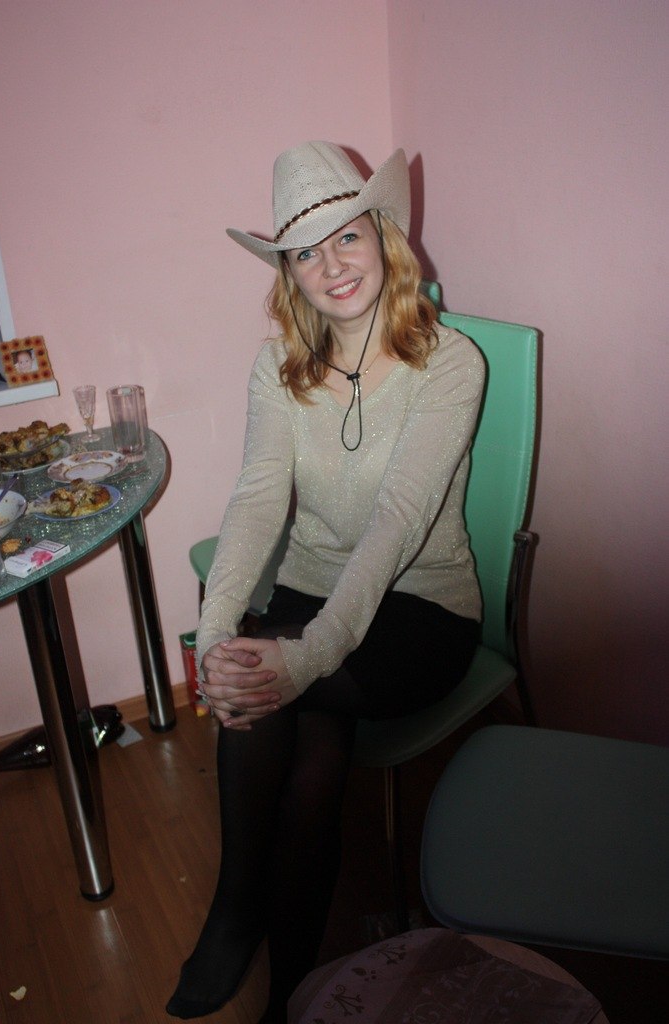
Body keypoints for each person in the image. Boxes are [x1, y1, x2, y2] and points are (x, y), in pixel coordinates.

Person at [166, 141, 486, 1022]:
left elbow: (399, 521)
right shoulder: (277, 367)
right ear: (289, 274)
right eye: (305, 251)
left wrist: (304, 658)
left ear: (383, 236)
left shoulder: (450, 361)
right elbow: (257, 497)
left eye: (346, 236)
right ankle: (268, 951)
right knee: (299, 750)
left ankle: (246, 926)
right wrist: (218, 630)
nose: (331, 265)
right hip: (310, 589)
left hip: (420, 604)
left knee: (278, 699)